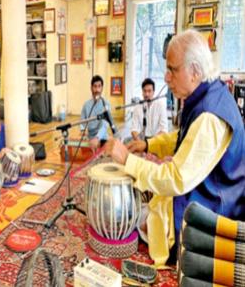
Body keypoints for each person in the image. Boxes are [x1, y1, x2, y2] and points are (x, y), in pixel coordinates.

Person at [105, 29, 245, 266]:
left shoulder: (210, 117)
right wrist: (149, 144)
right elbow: (185, 137)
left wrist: (128, 160)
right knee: (146, 216)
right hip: (214, 190)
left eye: (172, 69)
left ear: (195, 71)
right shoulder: (211, 91)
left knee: (144, 219)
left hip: (216, 208)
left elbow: (176, 179)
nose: (167, 78)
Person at [81, 75, 114, 149]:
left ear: (102, 88)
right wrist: (83, 131)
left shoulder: (106, 104)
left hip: (102, 137)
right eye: (95, 86)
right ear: (91, 88)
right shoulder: (86, 105)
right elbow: (82, 123)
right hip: (89, 138)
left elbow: (105, 126)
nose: (97, 89)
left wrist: (97, 138)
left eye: (99, 86)